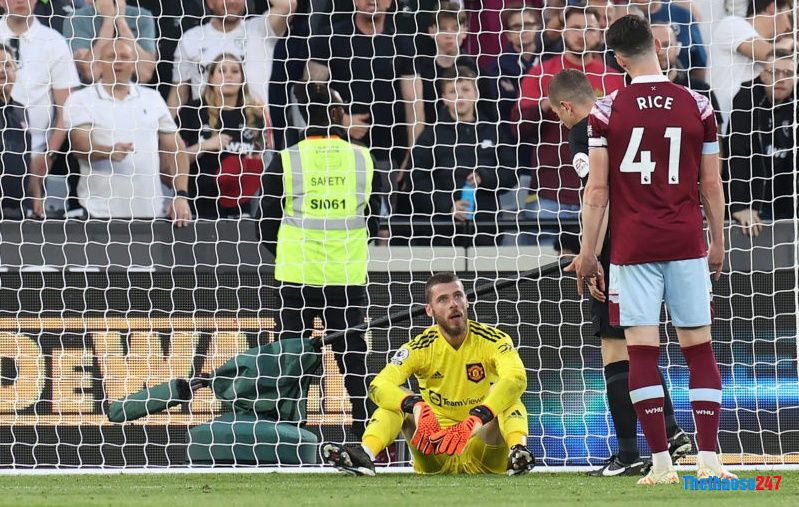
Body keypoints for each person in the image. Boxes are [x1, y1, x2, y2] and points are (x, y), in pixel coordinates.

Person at [566, 15, 732, 485]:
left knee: (641, 355)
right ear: (658, 45)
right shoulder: (697, 105)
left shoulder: (605, 110)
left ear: (618, 59)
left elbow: (597, 191)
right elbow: (711, 185)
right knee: (699, 352)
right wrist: (717, 241)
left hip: (633, 249)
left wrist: (588, 251)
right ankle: (709, 459)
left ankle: (660, 464)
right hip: (685, 243)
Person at [548, 69, 691, 477]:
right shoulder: (623, 122)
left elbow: (600, 194)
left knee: (615, 351)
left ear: (567, 106)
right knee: (638, 346)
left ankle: (629, 454)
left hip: (615, 253)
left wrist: (591, 256)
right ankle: (672, 431)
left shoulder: (583, 132)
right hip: (652, 245)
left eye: (558, 115)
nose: (561, 123)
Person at [259, 83, 381, 440]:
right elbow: (373, 220)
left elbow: (264, 223)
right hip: (346, 276)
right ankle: (366, 432)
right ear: (335, 115)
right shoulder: (362, 157)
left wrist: (291, 253)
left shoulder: (286, 158)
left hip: (297, 277)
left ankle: (290, 433)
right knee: (353, 361)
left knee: (292, 360)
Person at [322, 272, 535, 476]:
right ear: (429, 310)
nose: (453, 304)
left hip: (483, 448)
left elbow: (516, 378)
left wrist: (477, 418)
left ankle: (518, 453)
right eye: (443, 299)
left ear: (467, 302)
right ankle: (365, 455)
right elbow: (378, 386)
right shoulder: (421, 347)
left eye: (458, 296)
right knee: (398, 398)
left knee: (506, 393)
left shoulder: (493, 340)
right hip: (435, 446)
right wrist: (415, 405)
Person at [514, 6, 624, 243]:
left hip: (600, 192)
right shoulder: (541, 73)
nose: (582, 34)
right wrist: (545, 106)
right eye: (575, 27)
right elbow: (517, 127)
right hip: (550, 193)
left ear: (600, 33)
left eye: (589, 28)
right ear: (562, 31)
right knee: (542, 272)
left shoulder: (613, 77)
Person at [63, 38, 191, 223]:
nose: (118, 61)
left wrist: (180, 195)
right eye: (111, 56)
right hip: (98, 214)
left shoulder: (152, 98)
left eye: (124, 57)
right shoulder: (81, 99)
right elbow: (79, 145)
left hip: (150, 214)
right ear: (99, 63)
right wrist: (108, 151)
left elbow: (176, 148)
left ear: (133, 63)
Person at [407, 67, 517, 247]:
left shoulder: (494, 131)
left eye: (465, 90)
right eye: (452, 91)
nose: (459, 96)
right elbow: (416, 181)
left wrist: (484, 176)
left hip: (486, 231)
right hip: (442, 235)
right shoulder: (431, 136)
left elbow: (511, 173)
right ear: (443, 97)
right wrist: (447, 206)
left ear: (476, 93)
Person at [307, 0, 424, 169]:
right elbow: (307, 91)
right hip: (336, 153)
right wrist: (341, 121)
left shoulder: (403, 44)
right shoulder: (329, 38)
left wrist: (414, 159)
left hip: (387, 156)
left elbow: (415, 105)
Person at [0, 0, 80, 219]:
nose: (20, 1)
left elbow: (66, 108)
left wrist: (47, 156)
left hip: (35, 158)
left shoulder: (54, 42)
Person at [178, 53, 271, 219]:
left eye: (235, 71)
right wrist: (204, 146)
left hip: (240, 210)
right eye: (222, 70)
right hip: (198, 207)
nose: (229, 75)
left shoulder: (255, 116)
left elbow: (262, 163)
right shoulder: (191, 111)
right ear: (211, 78)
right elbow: (172, 162)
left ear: (242, 79)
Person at [168, 0, 296, 115]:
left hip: (254, 127)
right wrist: (167, 134)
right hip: (206, 129)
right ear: (209, 3)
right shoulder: (191, 38)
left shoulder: (260, 29)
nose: (231, 1)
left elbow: (288, 5)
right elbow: (179, 95)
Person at [728, 49, 797, 235]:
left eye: (788, 73)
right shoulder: (745, 99)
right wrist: (740, 205)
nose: (780, 78)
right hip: (753, 204)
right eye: (774, 72)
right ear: (762, 75)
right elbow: (737, 153)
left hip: (789, 202)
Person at [708, 0, 792, 132]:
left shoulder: (770, 44)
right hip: (723, 130)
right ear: (773, 8)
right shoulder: (732, 23)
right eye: (790, 17)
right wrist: (791, 43)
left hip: (752, 130)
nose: (790, 27)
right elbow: (772, 56)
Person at [62, 0, 158, 84]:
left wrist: (121, 21)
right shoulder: (75, 18)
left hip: (134, 96)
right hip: (91, 97)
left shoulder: (142, 16)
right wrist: (108, 21)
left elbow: (144, 74)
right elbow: (91, 73)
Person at [651, 23, 721, 127]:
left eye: (666, 45)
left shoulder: (700, 90)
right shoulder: (631, 90)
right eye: (654, 46)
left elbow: (715, 139)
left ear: (677, 48)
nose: (660, 51)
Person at [0, 43, 30, 219]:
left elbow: (27, 159)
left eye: (7, 65)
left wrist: (35, 196)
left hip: (17, 212)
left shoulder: (21, 111)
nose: (2, 71)